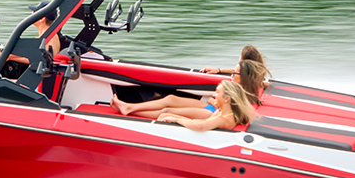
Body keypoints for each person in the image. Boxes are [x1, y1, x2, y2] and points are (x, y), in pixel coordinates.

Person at [112, 59, 267, 118]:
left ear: (244, 77)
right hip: (213, 107)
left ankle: (129, 109)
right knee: (170, 99)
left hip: (212, 114)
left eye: (234, 73)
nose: (231, 75)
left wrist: (215, 102)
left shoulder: (243, 93)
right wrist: (219, 71)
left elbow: (229, 110)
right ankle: (130, 106)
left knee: (168, 111)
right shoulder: (241, 85)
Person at [152, 79, 254, 132]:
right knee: (164, 115)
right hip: (202, 130)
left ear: (227, 98)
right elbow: (204, 122)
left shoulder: (223, 119)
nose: (214, 95)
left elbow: (200, 126)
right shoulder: (221, 112)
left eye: (217, 92)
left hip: (201, 136)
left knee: (166, 116)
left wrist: (176, 120)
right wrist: (172, 117)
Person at [201, 44, 268, 77]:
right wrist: (219, 70)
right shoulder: (256, 75)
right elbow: (239, 71)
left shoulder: (242, 82)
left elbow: (238, 71)